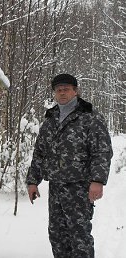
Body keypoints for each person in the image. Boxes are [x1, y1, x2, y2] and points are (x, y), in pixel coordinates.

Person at [26, 73, 113, 258]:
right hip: (56, 188)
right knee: (57, 236)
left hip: (79, 188)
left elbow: (102, 151)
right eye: (58, 90)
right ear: (55, 94)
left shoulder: (89, 117)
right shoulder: (50, 119)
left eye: (66, 89)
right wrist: (33, 181)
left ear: (75, 91)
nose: (62, 93)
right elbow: (40, 153)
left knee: (79, 238)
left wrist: (97, 181)